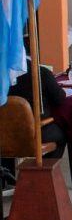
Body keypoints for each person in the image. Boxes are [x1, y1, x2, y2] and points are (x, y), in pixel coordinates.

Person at [2, 36, 68, 182]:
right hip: (35, 133)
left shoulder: (3, 76)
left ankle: (8, 176)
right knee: (63, 133)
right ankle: (43, 179)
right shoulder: (41, 73)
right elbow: (60, 99)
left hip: (4, 133)